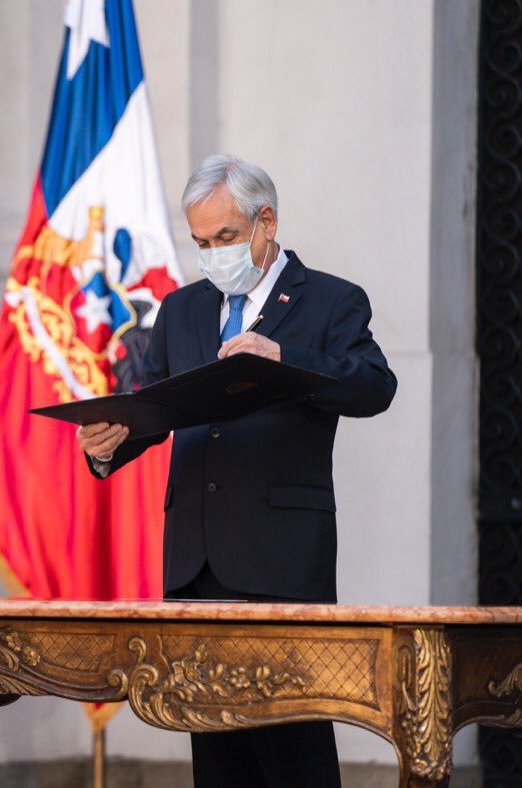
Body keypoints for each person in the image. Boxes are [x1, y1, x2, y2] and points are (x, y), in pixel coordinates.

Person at [78, 154, 396, 788]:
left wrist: (282, 357)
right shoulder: (181, 310)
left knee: (294, 751)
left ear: (265, 223)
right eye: (200, 242)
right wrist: (109, 443)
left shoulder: (331, 300)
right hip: (197, 564)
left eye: (224, 238)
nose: (213, 254)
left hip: (280, 562)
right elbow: (155, 406)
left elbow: (375, 388)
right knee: (218, 755)